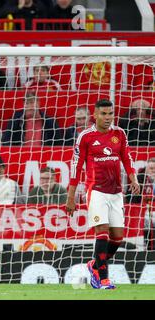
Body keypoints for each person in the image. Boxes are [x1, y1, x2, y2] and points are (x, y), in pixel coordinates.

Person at [66, 99, 140, 290]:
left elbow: (127, 157)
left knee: (117, 238)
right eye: (103, 114)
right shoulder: (86, 136)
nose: (107, 118)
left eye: (110, 114)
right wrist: (71, 196)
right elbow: (75, 166)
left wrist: (133, 178)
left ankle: (94, 265)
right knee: (102, 233)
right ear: (95, 115)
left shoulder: (119, 133)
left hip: (116, 192)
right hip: (96, 190)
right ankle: (103, 279)